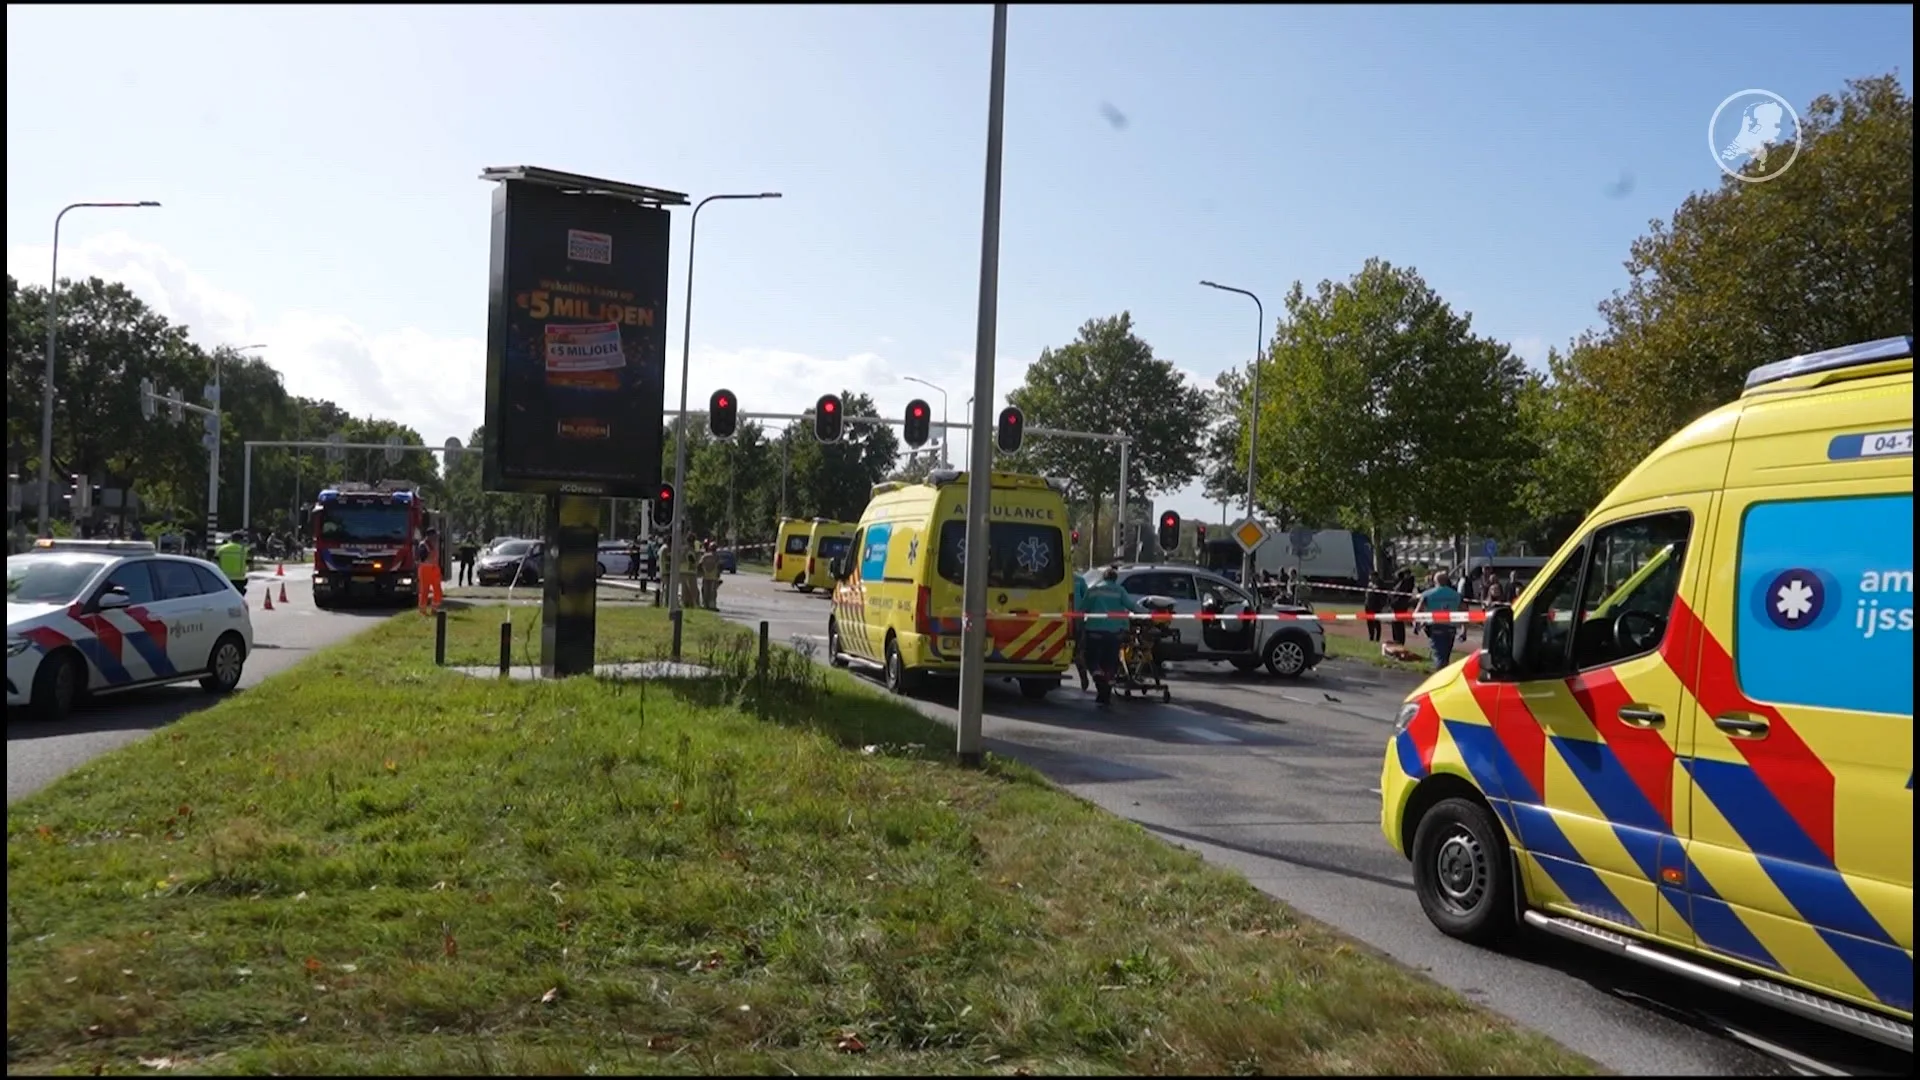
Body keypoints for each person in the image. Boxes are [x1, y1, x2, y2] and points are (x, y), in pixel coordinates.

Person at [1079, 565, 1145, 706]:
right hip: (1114, 632)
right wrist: (1148, 613)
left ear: (1103, 577)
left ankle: (1097, 673)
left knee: (1091, 658)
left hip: (1095, 630)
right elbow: (1131, 605)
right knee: (1109, 661)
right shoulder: (1119, 590)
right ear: (1115, 579)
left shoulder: (1094, 590)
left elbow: (1083, 609)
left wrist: (1078, 625)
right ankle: (1106, 685)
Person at [1414, 570, 1464, 671]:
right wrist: (1464, 630)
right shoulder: (1456, 595)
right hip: (1450, 628)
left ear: (1434, 581)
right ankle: (1444, 674)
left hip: (1435, 627)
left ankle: (1439, 676)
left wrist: (1416, 624)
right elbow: (1464, 613)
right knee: (1445, 655)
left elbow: (1418, 612)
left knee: (1438, 654)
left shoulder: (1427, 594)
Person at [1070, 569, 1092, 691]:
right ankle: (1083, 675)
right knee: (1077, 650)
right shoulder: (1079, 579)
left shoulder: (1055, 576)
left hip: (1061, 617)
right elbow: (1087, 599)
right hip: (1077, 618)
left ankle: (1054, 680)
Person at [417, 528, 444, 615]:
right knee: (425, 590)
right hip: (425, 569)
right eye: (434, 535)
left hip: (434, 569)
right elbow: (422, 559)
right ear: (429, 536)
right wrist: (429, 558)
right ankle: (422, 610)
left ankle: (434, 609)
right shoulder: (423, 545)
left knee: (438, 590)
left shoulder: (434, 544)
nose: (436, 537)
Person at [215, 530, 250, 595]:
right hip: (239, 579)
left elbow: (215, 562)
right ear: (240, 540)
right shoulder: (244, 550)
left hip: (224, 578)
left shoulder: (221, 549)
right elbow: (249, 563)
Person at [1389, 568, 1417, 647]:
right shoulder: (1402, 582)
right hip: (1397, 605)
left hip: (1400, 605)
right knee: (1395, 623)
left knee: (1398, 624)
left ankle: (1399, 641)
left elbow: (1400, 593)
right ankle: (1396, 640)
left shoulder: (1407, 582)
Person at [1363, 572, 1387, 644]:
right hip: (1368, 605)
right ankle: (1371, 637)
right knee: (1369, 622)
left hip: (1376, 606)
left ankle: (1377, 638)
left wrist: (1381, 604)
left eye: (1371, 576)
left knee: (1376, 622)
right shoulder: (1369, 584)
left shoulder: (1380, 584)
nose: (1370, 578)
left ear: (1375, 576)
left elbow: (1383, 595)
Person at [698, 540, 723, 610]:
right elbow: (720, 566)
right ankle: (712, 605)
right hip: (714, 577)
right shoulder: (717, 557)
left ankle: (705, 604)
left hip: (706, 576)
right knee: (713, 592)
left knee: (705, 591)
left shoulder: (705, 556)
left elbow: (699, 565)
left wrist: (702, 572)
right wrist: (718, 574)